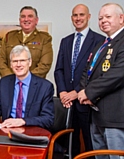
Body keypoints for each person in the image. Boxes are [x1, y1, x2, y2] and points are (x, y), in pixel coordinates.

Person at [54, 4, 105, 157]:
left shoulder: (100, 40)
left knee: (90, 144)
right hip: (67, 103)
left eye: (81, 15)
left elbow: (96, 73)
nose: (78, 18)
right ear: (71, 18)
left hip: (86, 101)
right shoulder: (66, 41)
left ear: (88, 17)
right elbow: (59, 70)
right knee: (69, 144)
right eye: (75, 15)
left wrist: (76, 92)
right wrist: (63, 92)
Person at [78, 3, 124, 159]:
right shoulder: (101, 44)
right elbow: (87, 71)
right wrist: (83, 91)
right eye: (100, 18)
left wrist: (89, 92)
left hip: (115, 118)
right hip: (97, 115)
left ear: (121, 18)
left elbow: (117, 74)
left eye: (108, 17)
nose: (103, 20)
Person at [0, 45, 54, 129]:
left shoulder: (45, 87)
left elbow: (48, 119)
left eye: (22, 60)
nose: (18, 65)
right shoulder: (4, 82)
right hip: (7, 131)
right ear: (11, 64)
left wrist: (23, 121)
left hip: (32, 132)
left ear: (29, 62)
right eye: (15, 61)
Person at [0, 6, 53, 78]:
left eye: (30, 16)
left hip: (34, 85)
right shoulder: (10, 36)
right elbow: (1, 61)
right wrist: (12, 79)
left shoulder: (44, 38)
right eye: (23, 16)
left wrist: (26, 79)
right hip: (10, 84)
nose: (26, 19)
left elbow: (45, 65)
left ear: (36, 20)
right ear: (19, 20)